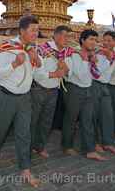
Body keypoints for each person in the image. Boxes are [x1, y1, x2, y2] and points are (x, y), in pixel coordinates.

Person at [0, 15, 42, 187]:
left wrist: (37, 61)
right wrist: (14, 64)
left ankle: (25, 168)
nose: (36, 33)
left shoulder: (33, 48)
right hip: (5, 96)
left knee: (24, 134)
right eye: (33, 30)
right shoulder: (7, 47)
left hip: (24, 97)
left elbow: (36, 72)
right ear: (22, 30)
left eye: (37, 30)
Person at [62, 30, 107, 161]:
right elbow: (80, 75)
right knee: (71, 119)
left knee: (88, 119)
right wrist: (87, 60)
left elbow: (98, 74)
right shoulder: (74, 54)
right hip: (74, 90)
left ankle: (89, 149)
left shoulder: (93, 56)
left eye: (95, 40)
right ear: (82, 40)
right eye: (91, 39)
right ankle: (67, 145)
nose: (94, 42)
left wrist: (94, 60)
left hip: (88, 89)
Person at [31, 25, 71, 158]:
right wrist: (55, 74)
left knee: (46, 121)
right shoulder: (43, 49)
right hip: (38, 89)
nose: (67, 40)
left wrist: (65, 69)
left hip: (54, 90)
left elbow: (68, 74)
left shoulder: (65, 52)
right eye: (66, 36)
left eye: (68, 37)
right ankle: (28, 146)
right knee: (33, 120)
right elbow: (36, 73)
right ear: (57, 35)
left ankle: (40, 146)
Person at [92, 31, 115, 154]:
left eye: (109, 40)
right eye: (104, 40)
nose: (106, 43)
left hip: (105, 86)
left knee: (107, 115)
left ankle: (108, 142)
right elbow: (96, 72)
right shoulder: (98, 53)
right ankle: (95, 143)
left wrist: (112, 57)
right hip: (94, 85)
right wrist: (108, 58)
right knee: (94, 116)